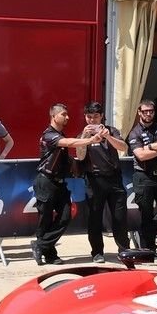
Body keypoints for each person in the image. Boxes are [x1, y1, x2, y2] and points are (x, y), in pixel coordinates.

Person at [31, 103, 103, 266]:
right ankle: (49, 254)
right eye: (64, 114)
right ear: (54, 116)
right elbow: (69, 143)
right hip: (46, 181)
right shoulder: (49, 135)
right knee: (45, 219)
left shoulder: (59, 134)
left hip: (60, 182)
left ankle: (41, 246)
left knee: (65, 216)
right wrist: (90, 139)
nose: (67, 117)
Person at [74, 101, 130, 263]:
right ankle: (97, 252)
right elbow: (81, 155)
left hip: (114, 178)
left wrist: (107, 136)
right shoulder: (82, 135)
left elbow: (123, 147)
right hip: (94, 180)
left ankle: (124, 250)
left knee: (119, 217)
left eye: (96, 117)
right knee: (95, 218)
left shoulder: (111, 131)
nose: (92, 121)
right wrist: (86, 137)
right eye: (89, 117)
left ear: (102, 117)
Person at [127, 99, 157, 257]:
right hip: (143, 177)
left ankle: (148, 233)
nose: (148, 114)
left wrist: (150, 147)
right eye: (145, 111)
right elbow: (141, 155)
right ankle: (148, 248)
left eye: (151, 111)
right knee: (146, 213)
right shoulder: (134, 133)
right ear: (139, 112)